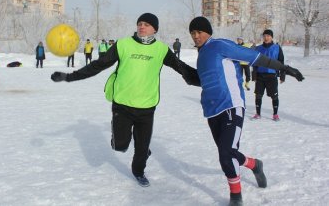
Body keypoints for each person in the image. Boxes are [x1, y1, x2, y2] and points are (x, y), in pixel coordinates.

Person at [51, 13, 198, 187]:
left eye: (146, 24)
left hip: (147, 106)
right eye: (139, 23)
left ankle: (138, 171)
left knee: (142, 149)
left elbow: (182, 68)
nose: (142, 26)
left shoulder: (161, 49)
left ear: (155, 29)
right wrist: (69, 77)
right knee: (120, 146)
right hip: (122, 105)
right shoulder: (123, 45)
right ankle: (127, 143)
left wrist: (206, 80)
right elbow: (98, 65)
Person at [188, 16, 304, 206]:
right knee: (226, 155)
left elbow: (254, 57)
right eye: (193, 33)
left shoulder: (219, 45)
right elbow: (205, 80)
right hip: (211, 110)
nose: (196, 36)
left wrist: (283, 68)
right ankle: (253, 164)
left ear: (208, 31)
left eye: (199, 31)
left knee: (227, 152)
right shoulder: (201, 55)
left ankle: (236, 196)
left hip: (231, 106)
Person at [252, 29, 285, 121]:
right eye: (265, 36)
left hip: (272, 75)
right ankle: (258, 114)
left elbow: (281, 62)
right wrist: (254, 74)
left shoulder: (277, 48)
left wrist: (282, 75)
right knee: (258, 95)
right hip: (260, 75)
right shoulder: (258, 48)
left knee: (274, 96)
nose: (266, 38)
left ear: (271, 37)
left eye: (268, 36)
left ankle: (275, 114)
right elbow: (255, 62)